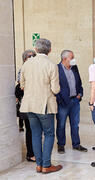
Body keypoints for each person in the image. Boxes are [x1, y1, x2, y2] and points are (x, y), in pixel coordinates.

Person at [20, 38, 62, 174]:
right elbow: (55, 89)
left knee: (36, 134)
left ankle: (38, 165)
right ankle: (46, 165)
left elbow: (22, 85)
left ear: (36, 49)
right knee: (49, 134)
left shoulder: (26, 64)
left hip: (29, 105)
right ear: (50, 50)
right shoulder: (52, 65)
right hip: (45, 106)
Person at [56, 50, 87, 154]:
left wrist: (79, 95)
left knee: (75, 124)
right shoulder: (56, 69)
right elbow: (54, 87)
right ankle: (61, 145)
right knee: (61, 125)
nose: (73, 59)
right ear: (64, 59)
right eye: (71, 57)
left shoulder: (74, 68)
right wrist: (59, 100)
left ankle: (76, 144)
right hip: (62, 103)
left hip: (75, 101)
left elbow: (79, 83)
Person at [15, 50, 36, 162]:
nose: (32, 57)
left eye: (34, 56)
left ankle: (35, 152)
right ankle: (30, 154)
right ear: (24, 59)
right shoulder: (22, 70)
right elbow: (19, 89)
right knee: (30, 130)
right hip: (27, 105)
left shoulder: (36, 69)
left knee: (36, 130)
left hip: (36, 104)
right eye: (30, 56)